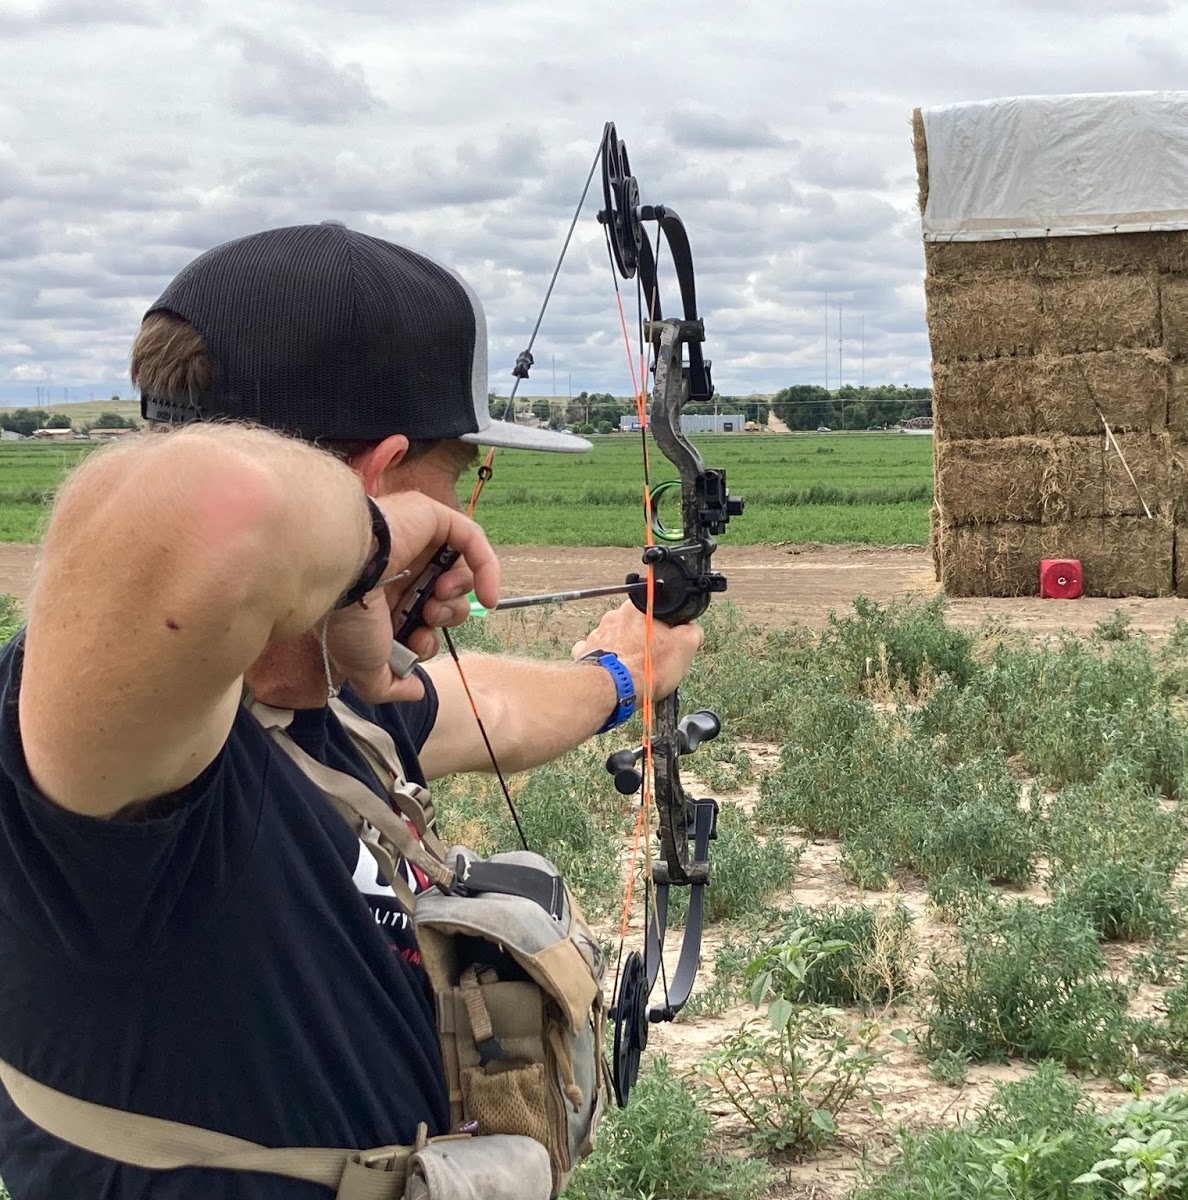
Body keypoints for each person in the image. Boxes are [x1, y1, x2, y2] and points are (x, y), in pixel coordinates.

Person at [0, 222, 704, 1198]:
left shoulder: (332, 710)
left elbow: (473, 699)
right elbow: (212, 513)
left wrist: (623, 674)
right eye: (455, 485)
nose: (466, 524)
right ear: (380, 479)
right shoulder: (117, 744)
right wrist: (371, 542)